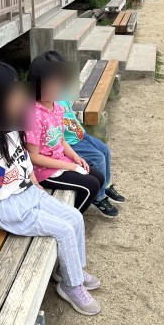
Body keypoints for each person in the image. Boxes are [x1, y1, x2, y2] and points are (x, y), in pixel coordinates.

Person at [0, 61, 101, 315]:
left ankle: (72, 270)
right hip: (8, 207)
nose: (21, 98)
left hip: (28, 192)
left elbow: (24, 160)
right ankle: (71, 285)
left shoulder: (12, 126)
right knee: (64, 230)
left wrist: (34, 182)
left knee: (75, 217)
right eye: (13, 93)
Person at [40, 53, 125, 218]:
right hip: (71, 142)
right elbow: (54, 133)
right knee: (98, 158)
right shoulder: (49, 100)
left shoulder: (62, 92)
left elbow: (70, 112)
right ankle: (99, 197)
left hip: (80, 134)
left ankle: (106, 185)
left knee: (105, 149)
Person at [26, 51, 107, 215]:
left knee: (99, 177)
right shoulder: (33, 114)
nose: (56, 87)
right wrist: (70, 166)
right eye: (50, 83)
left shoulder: (57, 107)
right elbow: (33, 156)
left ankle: (67, 215)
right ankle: (68, 218)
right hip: (44, 171)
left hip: (60, 161)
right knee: (91, 186)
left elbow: (62, 141)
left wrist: (76, 158)